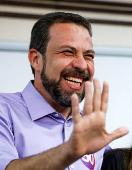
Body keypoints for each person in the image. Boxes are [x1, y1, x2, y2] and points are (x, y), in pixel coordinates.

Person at [0, 12, 129, 170]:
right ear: (36, 60)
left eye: (88, 56)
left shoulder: (90, 127)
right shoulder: (4, 112)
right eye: (68, 52)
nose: (82, 65)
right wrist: (69, 152)